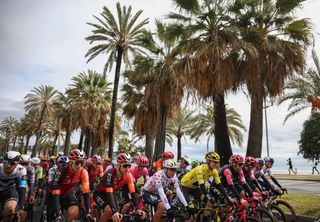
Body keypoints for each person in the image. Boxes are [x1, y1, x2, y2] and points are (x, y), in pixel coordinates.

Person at [93, 153, 145, 222]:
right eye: (125, 166)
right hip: (100, 193)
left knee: (117, 215)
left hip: (112, 193)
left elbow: (133, 192)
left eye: (129, 166)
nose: (127, 169)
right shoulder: (110, 174)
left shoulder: (128, 175)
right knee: (109, 210)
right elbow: (109, 193)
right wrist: (114, 211)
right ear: (119, 165)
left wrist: (138, 208)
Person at [51, 149, 93, 221]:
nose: (79, 166)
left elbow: (86, 192)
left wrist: (88, 212)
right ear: (71, 162)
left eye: (82, 163)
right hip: (54, 194)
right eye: (77, 163)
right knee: (55, 217)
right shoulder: (62, 170)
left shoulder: (83, 172)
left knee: (75, 213)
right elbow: (55, 192)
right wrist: (58, 213)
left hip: (67, 193)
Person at [0, 151, 27, 221]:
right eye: (6, 162)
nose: (8, 165)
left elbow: (22, 188)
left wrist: (21, 207)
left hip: (10, 191)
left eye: (12, 163)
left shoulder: (21, 170)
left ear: (17, 164)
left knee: (10, 209)